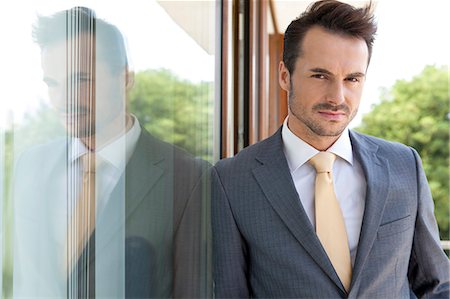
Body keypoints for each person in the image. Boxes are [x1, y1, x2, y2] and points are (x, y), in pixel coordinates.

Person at [212, 1, 450, 298]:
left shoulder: (404, 164)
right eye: (320, 75)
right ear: (285, 76)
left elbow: (437, 285)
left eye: (352, 79)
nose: (337, 97)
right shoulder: (231, 179)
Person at [13, 7, 211, 298]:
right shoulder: (30, 165)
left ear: (125, 78)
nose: (63, 100)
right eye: (52, 83)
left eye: (80, 80)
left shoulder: (189, 178)